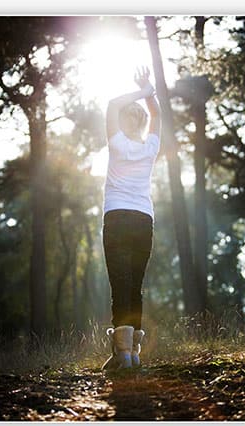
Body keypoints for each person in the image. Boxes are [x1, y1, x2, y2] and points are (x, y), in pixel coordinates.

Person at [100, 66, 161, 370]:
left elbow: (112, 104)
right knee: (135, 285)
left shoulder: (117, 143)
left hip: (117, 218)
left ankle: (122, 354)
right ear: (143, 122)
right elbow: (157, 115)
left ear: (124, 120)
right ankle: (133, 354)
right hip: (143, 221)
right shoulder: (151, 146)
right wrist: (149, 90)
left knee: (120, 285)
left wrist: (139, 91)